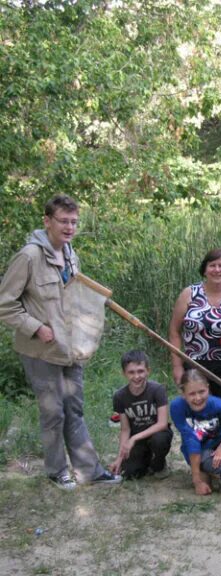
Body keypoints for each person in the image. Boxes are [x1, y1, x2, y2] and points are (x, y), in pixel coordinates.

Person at [0, 194, 121, 488]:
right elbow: (4, 304)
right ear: (47, 221)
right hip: (40, 350)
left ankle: (88, 471)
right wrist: (36, 327)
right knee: (53, 412)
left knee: (74, 409)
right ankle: (56, 471)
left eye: (74, 222)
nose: (69, 227)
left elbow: (72, 296)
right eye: (63, 221)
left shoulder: (69, 253)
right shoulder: (28, 256)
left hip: (69, 349)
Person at [169, 248, 221, 406]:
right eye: (212, 265)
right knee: (198, 414)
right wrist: (177, 366)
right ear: (204, 270)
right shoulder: (189, 294)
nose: (217, 270)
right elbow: (174, 331)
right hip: (195, 366)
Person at [109, 350, 173, 480]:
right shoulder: (120, 396)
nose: (136, 376)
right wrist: (119, 459)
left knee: (159, 440)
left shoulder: (157, 390)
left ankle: (159, 463)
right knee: (130, 473)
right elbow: (125, 429)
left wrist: (133, 439)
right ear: (124, 373)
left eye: (140, 371)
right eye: (131, 372)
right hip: (138, 440)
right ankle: (145, 458)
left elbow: (162, 423)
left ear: (148, 371)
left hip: (157, 434)